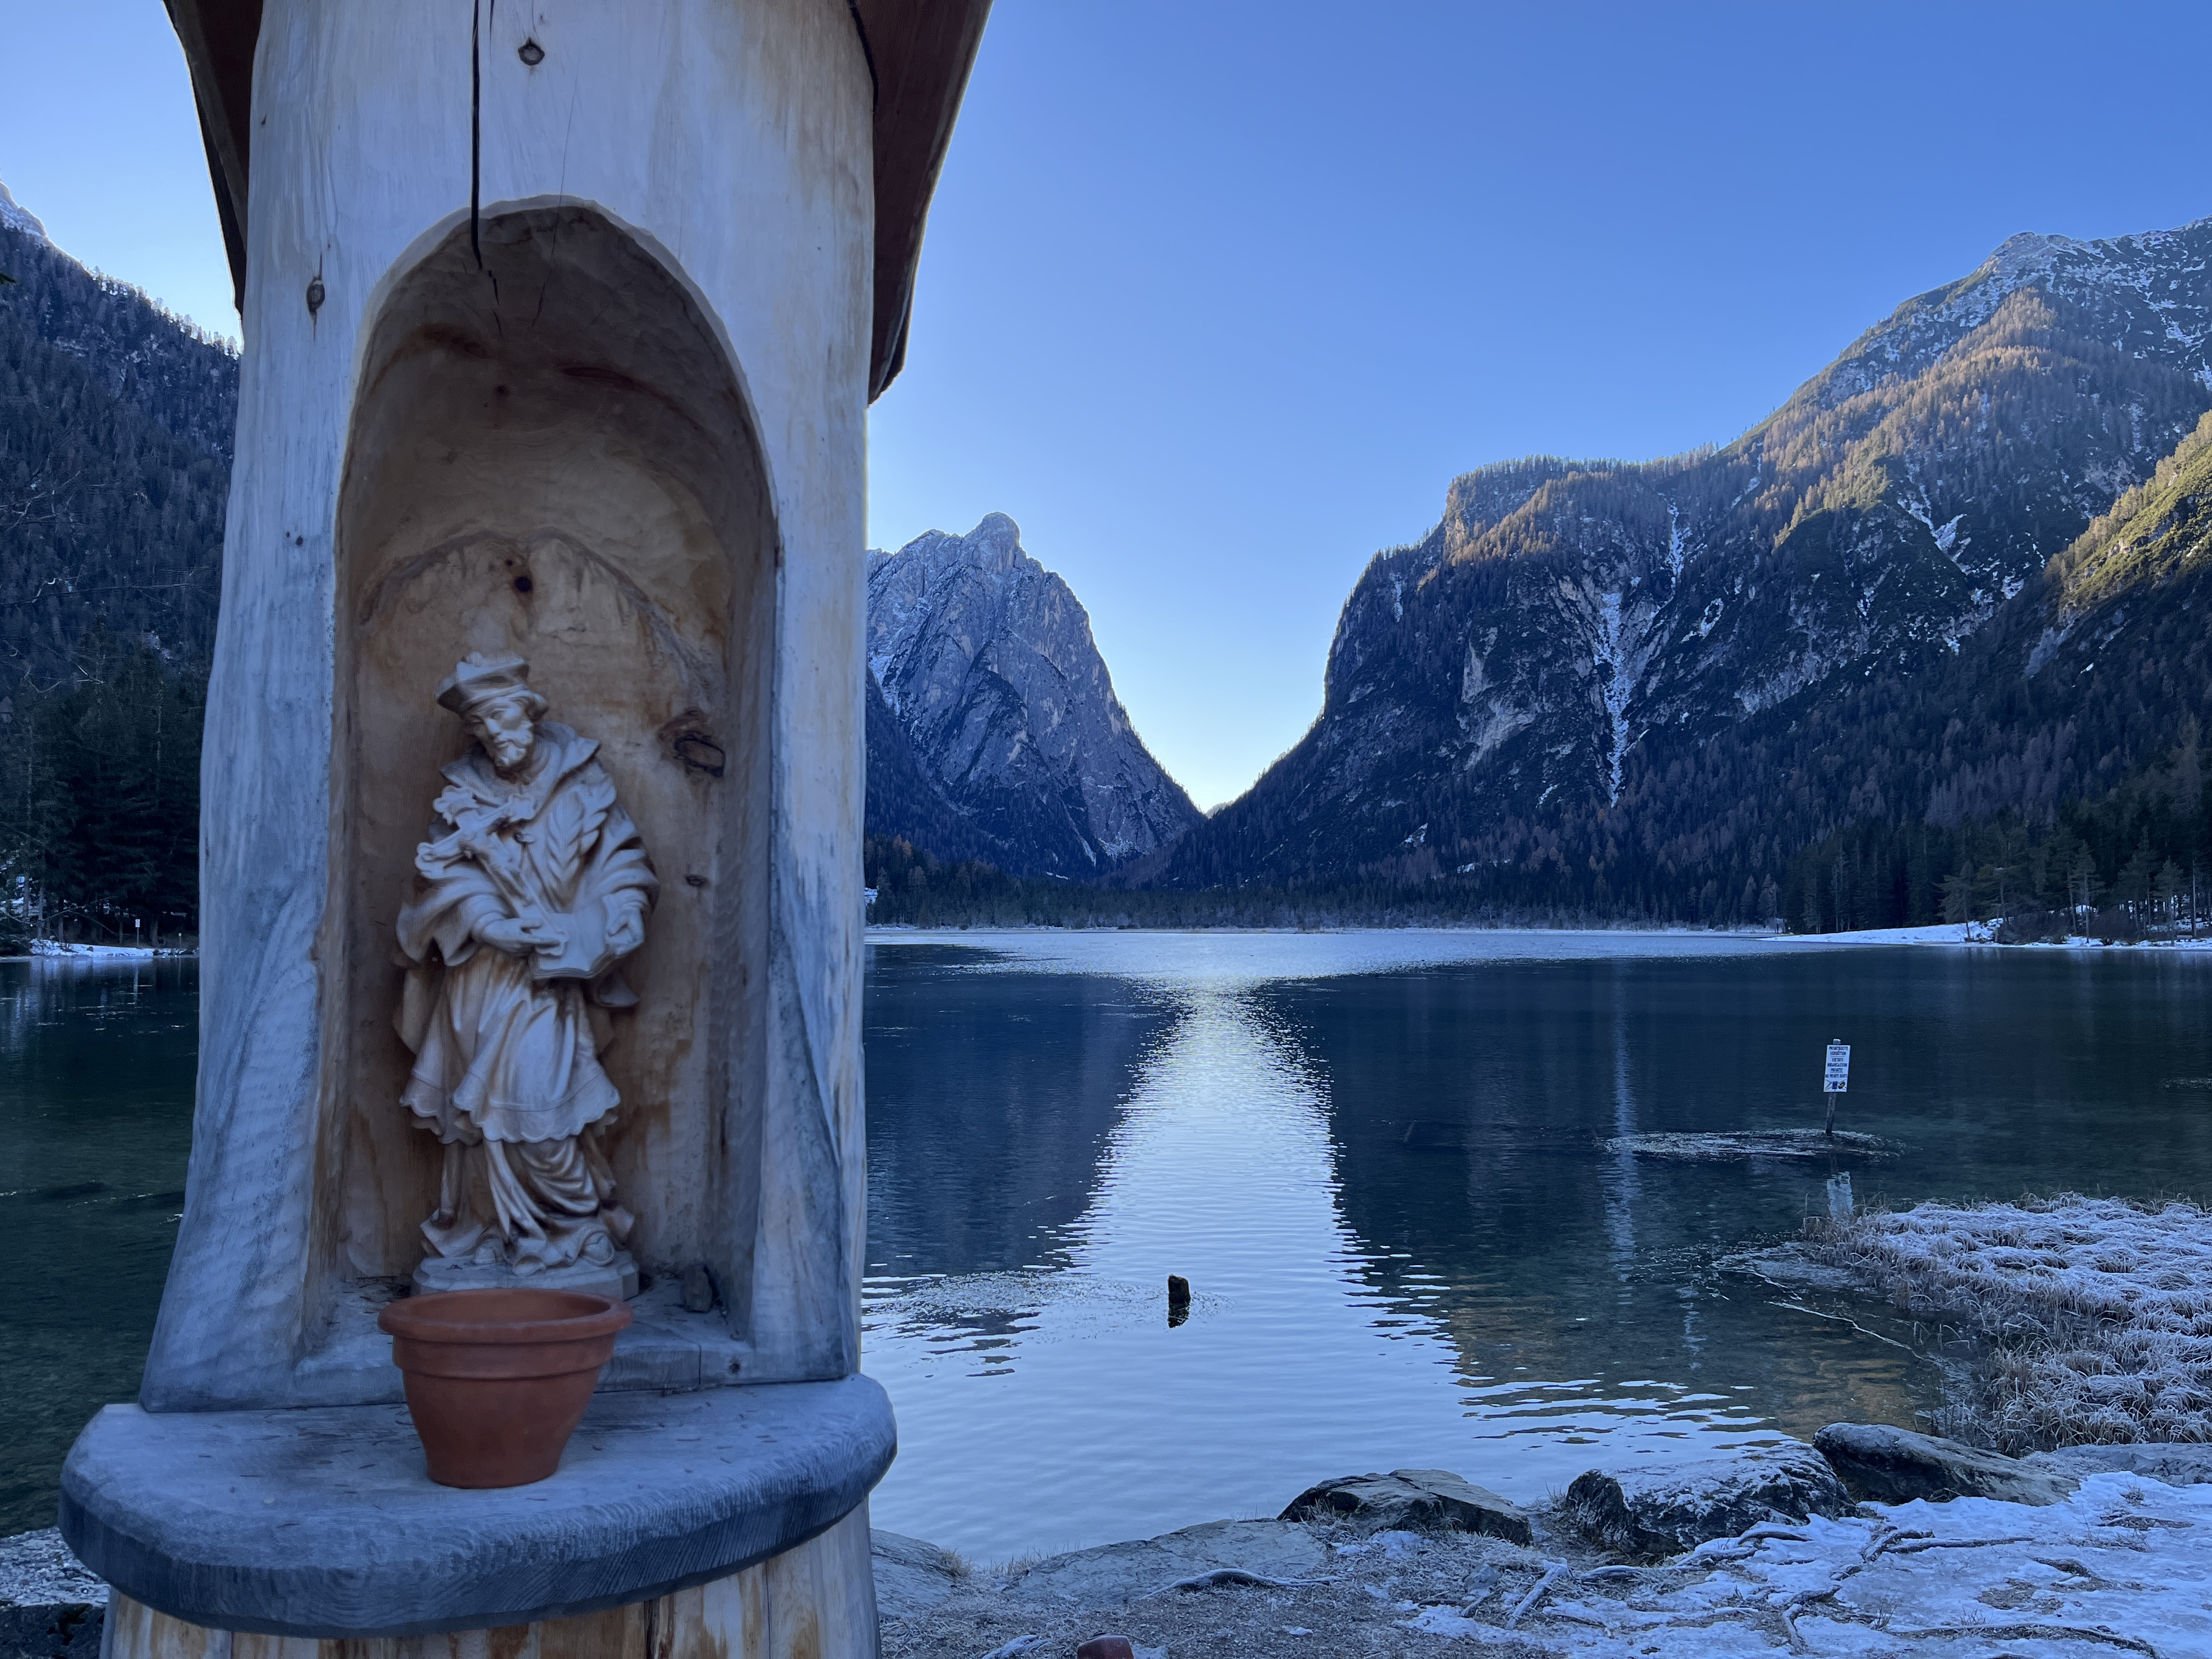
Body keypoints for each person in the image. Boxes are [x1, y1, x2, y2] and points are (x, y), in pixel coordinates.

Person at [394, 652, 658, 1277]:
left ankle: (576, 1226)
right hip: (481, 979)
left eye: (501, 717)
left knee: (541, 1109)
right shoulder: (463, 796)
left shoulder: (582, 783)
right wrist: (491, 923)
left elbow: (624, 865)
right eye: (479, 725)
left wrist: (618, 914)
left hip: (550, 980)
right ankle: (491, 1230)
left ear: (529, 712)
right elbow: (440, 881)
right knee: (480, 1120)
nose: (492, 734)